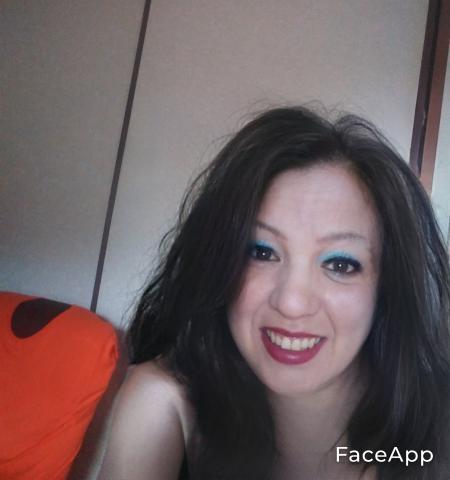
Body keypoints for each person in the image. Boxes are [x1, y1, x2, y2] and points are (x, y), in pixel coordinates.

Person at [98, 106, 450, 480]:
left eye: (340, 264)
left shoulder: (430, 432)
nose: (291, 302)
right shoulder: (165, 403)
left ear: (388, 287)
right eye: (261, 252)